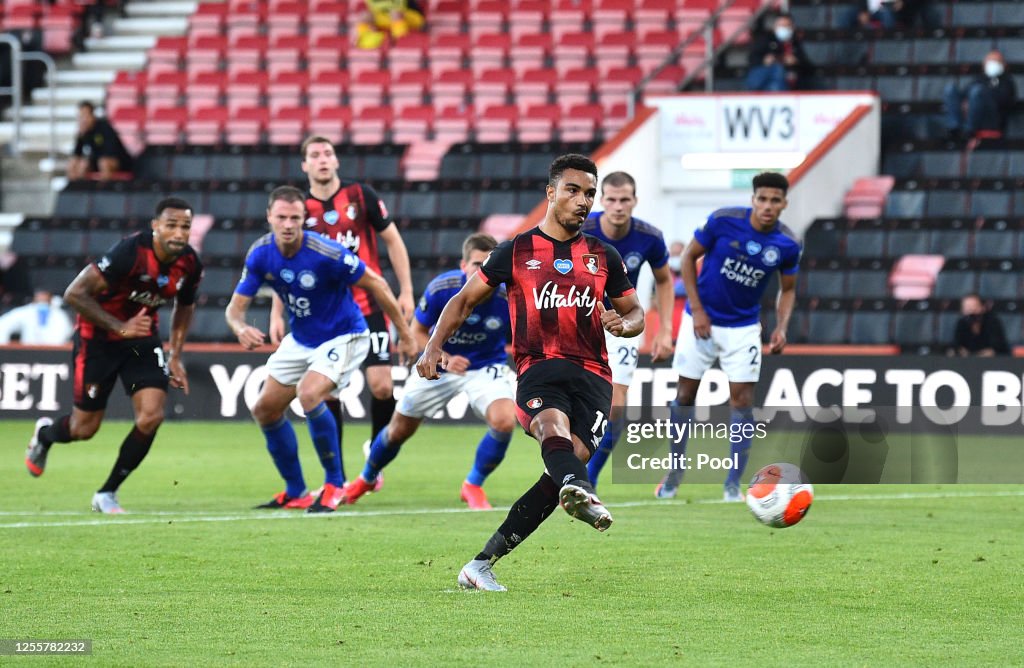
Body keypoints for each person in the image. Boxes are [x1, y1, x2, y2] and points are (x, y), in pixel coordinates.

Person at [417, 154, 645, 591]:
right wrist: (433, 347)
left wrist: (624, 324)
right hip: (538, 366)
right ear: (551, 193)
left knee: (563, 466)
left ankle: (481, 564)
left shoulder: (603, 255)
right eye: (574, 190)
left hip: (594, 375)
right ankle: (582, 490)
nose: (584, 201)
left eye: (590, 194)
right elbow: (463, 301)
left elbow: (634, 313)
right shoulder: (515, 251)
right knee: (549, 427)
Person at [227, 186, 416, 513]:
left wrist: (404, 332)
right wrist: (240, 327)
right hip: (301, 340)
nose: (288, 224)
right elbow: (234, 309)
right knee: (264, 410)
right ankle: (296, 490)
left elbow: (378, 284)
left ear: (304, 218)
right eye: (282, 217)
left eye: (295, 218)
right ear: (269, 217)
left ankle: (333, 485)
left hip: (345, 335)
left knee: (309, 394)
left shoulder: (326, 252)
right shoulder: (260, 254)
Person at [24, 198, 203, 513]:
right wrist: (120, 327)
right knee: (84, 428)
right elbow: (74, 293)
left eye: (185, 226)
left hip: (142, 340)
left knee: (151, 416)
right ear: (155, 226)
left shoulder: (189, 263)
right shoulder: (130, 253)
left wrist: (175, 353)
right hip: (99, 340)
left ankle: (107, 493)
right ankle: (45, 435)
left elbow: (185, 305)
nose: (179, 232)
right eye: (171, 225)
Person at [269, 135, 415, 490]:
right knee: (326, 393)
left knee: (381, 386)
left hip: (368, 304)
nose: (322, 159)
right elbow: (283, 260)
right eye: (314, 155)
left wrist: (406, 290)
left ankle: (375, 461)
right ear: (305, 165)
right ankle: (335, 477)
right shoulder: (297, 208)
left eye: (328, 153)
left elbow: (393, 239)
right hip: (326, 315)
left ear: (336, 162)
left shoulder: (360, 196)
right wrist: (276, 312)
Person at [343, 233, 516, 510]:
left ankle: (473, 485)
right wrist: (445, 358)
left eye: (489, 264)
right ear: (463, 265)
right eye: (476, 264)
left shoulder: (508, 294)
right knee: (398, 430)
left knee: (505, 420)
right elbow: (417, 334)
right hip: (440, 366)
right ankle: (366, 478)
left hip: (486, 366)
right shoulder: (443, 288)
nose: (482, 270)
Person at [657, 172, 801, 502]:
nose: (767, 206)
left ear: (784, 204)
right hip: (699, 321)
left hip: (744, 329)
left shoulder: (788, 244)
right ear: (753, 199)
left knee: (743, 401)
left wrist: (781, 326)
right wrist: (697, 309)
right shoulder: (723, 221)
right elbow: (688, 257)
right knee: (685, 395)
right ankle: (675, 473)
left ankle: (733, 483)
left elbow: (788, 289)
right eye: (762, 199)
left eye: (774, 200)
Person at [581, 172, 675, 488]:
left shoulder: (649, 236)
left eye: (625, 200)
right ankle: (567, 470)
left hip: (621, 324)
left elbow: (664, 280)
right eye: (611, 199)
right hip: (576, 320)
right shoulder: (582, 228)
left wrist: (664, 330)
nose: (618, 206)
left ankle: (587, 482)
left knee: (616, 408)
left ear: (634, 200)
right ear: (601, 200)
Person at [943, 50, 1017, 141]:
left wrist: (985, 94)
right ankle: (954, 127)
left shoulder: (1007, 81)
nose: (993, 64)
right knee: (950, 89)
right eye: (990, 61)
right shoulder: (979, 79)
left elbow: (1006, 101)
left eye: (996, 61)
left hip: (992, 117)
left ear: (1004, 65)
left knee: (977, 91)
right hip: (973, 111)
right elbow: (965, 93)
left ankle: (970, 129)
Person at [746, 14, 814, 92]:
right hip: (762, 76)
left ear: (792, 27)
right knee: (778, 69)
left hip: (779, 83)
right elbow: (752, 58)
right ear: (775, 27)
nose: (784, 28)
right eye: (781, 26)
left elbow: (807, 65)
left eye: (787, 26)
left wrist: (796, 61)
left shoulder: (795, 43)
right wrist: (764, 61)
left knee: (775, 86)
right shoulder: (765, 40)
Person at [67, 101, 133, 181]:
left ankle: (104, 190)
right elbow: (77, 154)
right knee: (76, 164)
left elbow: (109, 152)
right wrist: (81, 137)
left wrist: (90, 159)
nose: (83, 120)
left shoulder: (104, 127)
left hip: (118, 161)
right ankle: (77, 189)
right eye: (81, 116)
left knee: (103, 163)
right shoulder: (83, 132)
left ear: (92, 115)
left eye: (85, 116)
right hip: (97, 160)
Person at [0, 288, 73, 344]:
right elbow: (3, 324)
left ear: (50, 298)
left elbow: (67, 334)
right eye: (39, 295)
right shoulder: (26, 311)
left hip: (54, 354)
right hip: (28, 352)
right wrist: (4, 347)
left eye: (44, 295)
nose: (41, 297)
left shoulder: (59, 315)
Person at [355, 0, 426, 50]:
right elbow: (375, 9)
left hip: (413, 17)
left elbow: (399, 7)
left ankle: (400, 40)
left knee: (395, 13)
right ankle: (369, 39)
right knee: (364, 15)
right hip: (388, 17)